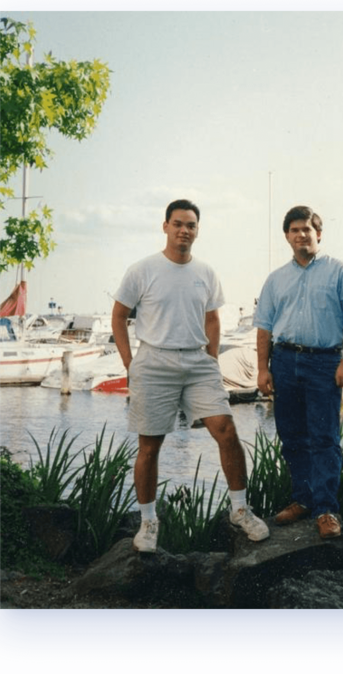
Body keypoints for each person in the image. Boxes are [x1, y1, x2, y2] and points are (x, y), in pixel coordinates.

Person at [112, 199, 269, 552]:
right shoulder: (142, 269)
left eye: (191, 225)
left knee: (226, 431)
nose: (185, 230)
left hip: (198, 363)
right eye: (179, 223)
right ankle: (149, 522)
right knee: (149, 446)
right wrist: (129, 363)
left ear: (197, 231)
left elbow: (212, 318)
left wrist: (212, 358)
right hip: (154, 363)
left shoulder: (206, 272)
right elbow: (119, 315)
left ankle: (240, 510)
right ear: (165, 226)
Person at [253, 205, 343, 539]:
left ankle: (326, 509)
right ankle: (302, 501)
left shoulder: (340, 272)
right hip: (285, 362)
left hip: (325, 364)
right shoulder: (276, 279)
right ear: (287, 237)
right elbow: (263, 327)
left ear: (318, 234)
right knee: (292, 437)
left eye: (307, 229)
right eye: (294, 230)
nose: (301, 235)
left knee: (324, 438)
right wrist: (263, 369)